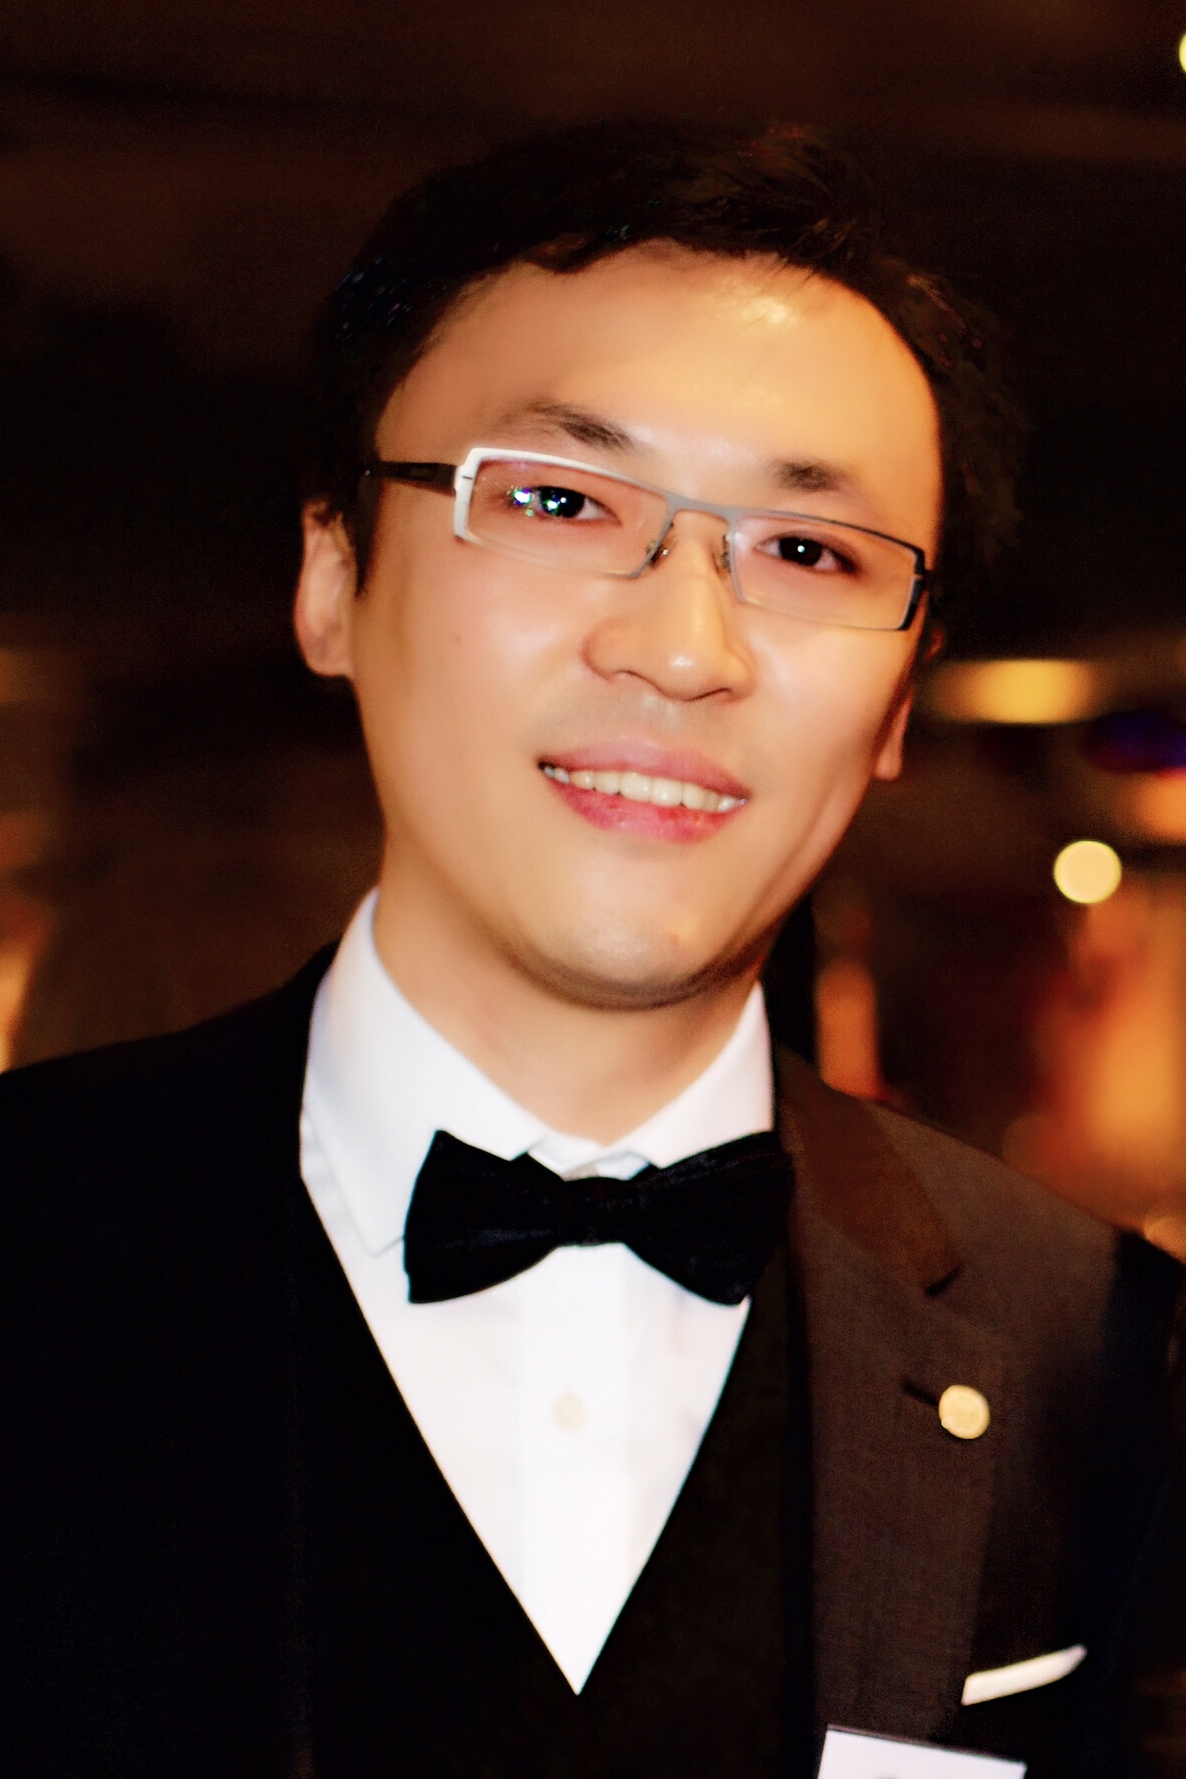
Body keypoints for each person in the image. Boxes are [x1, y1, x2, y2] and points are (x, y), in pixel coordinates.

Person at [3, 123, 1181, 1779]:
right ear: (332, 578)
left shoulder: (1111, 1361)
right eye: (558, 500)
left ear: (899, 700)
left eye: (805, 552)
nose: (682, 646)